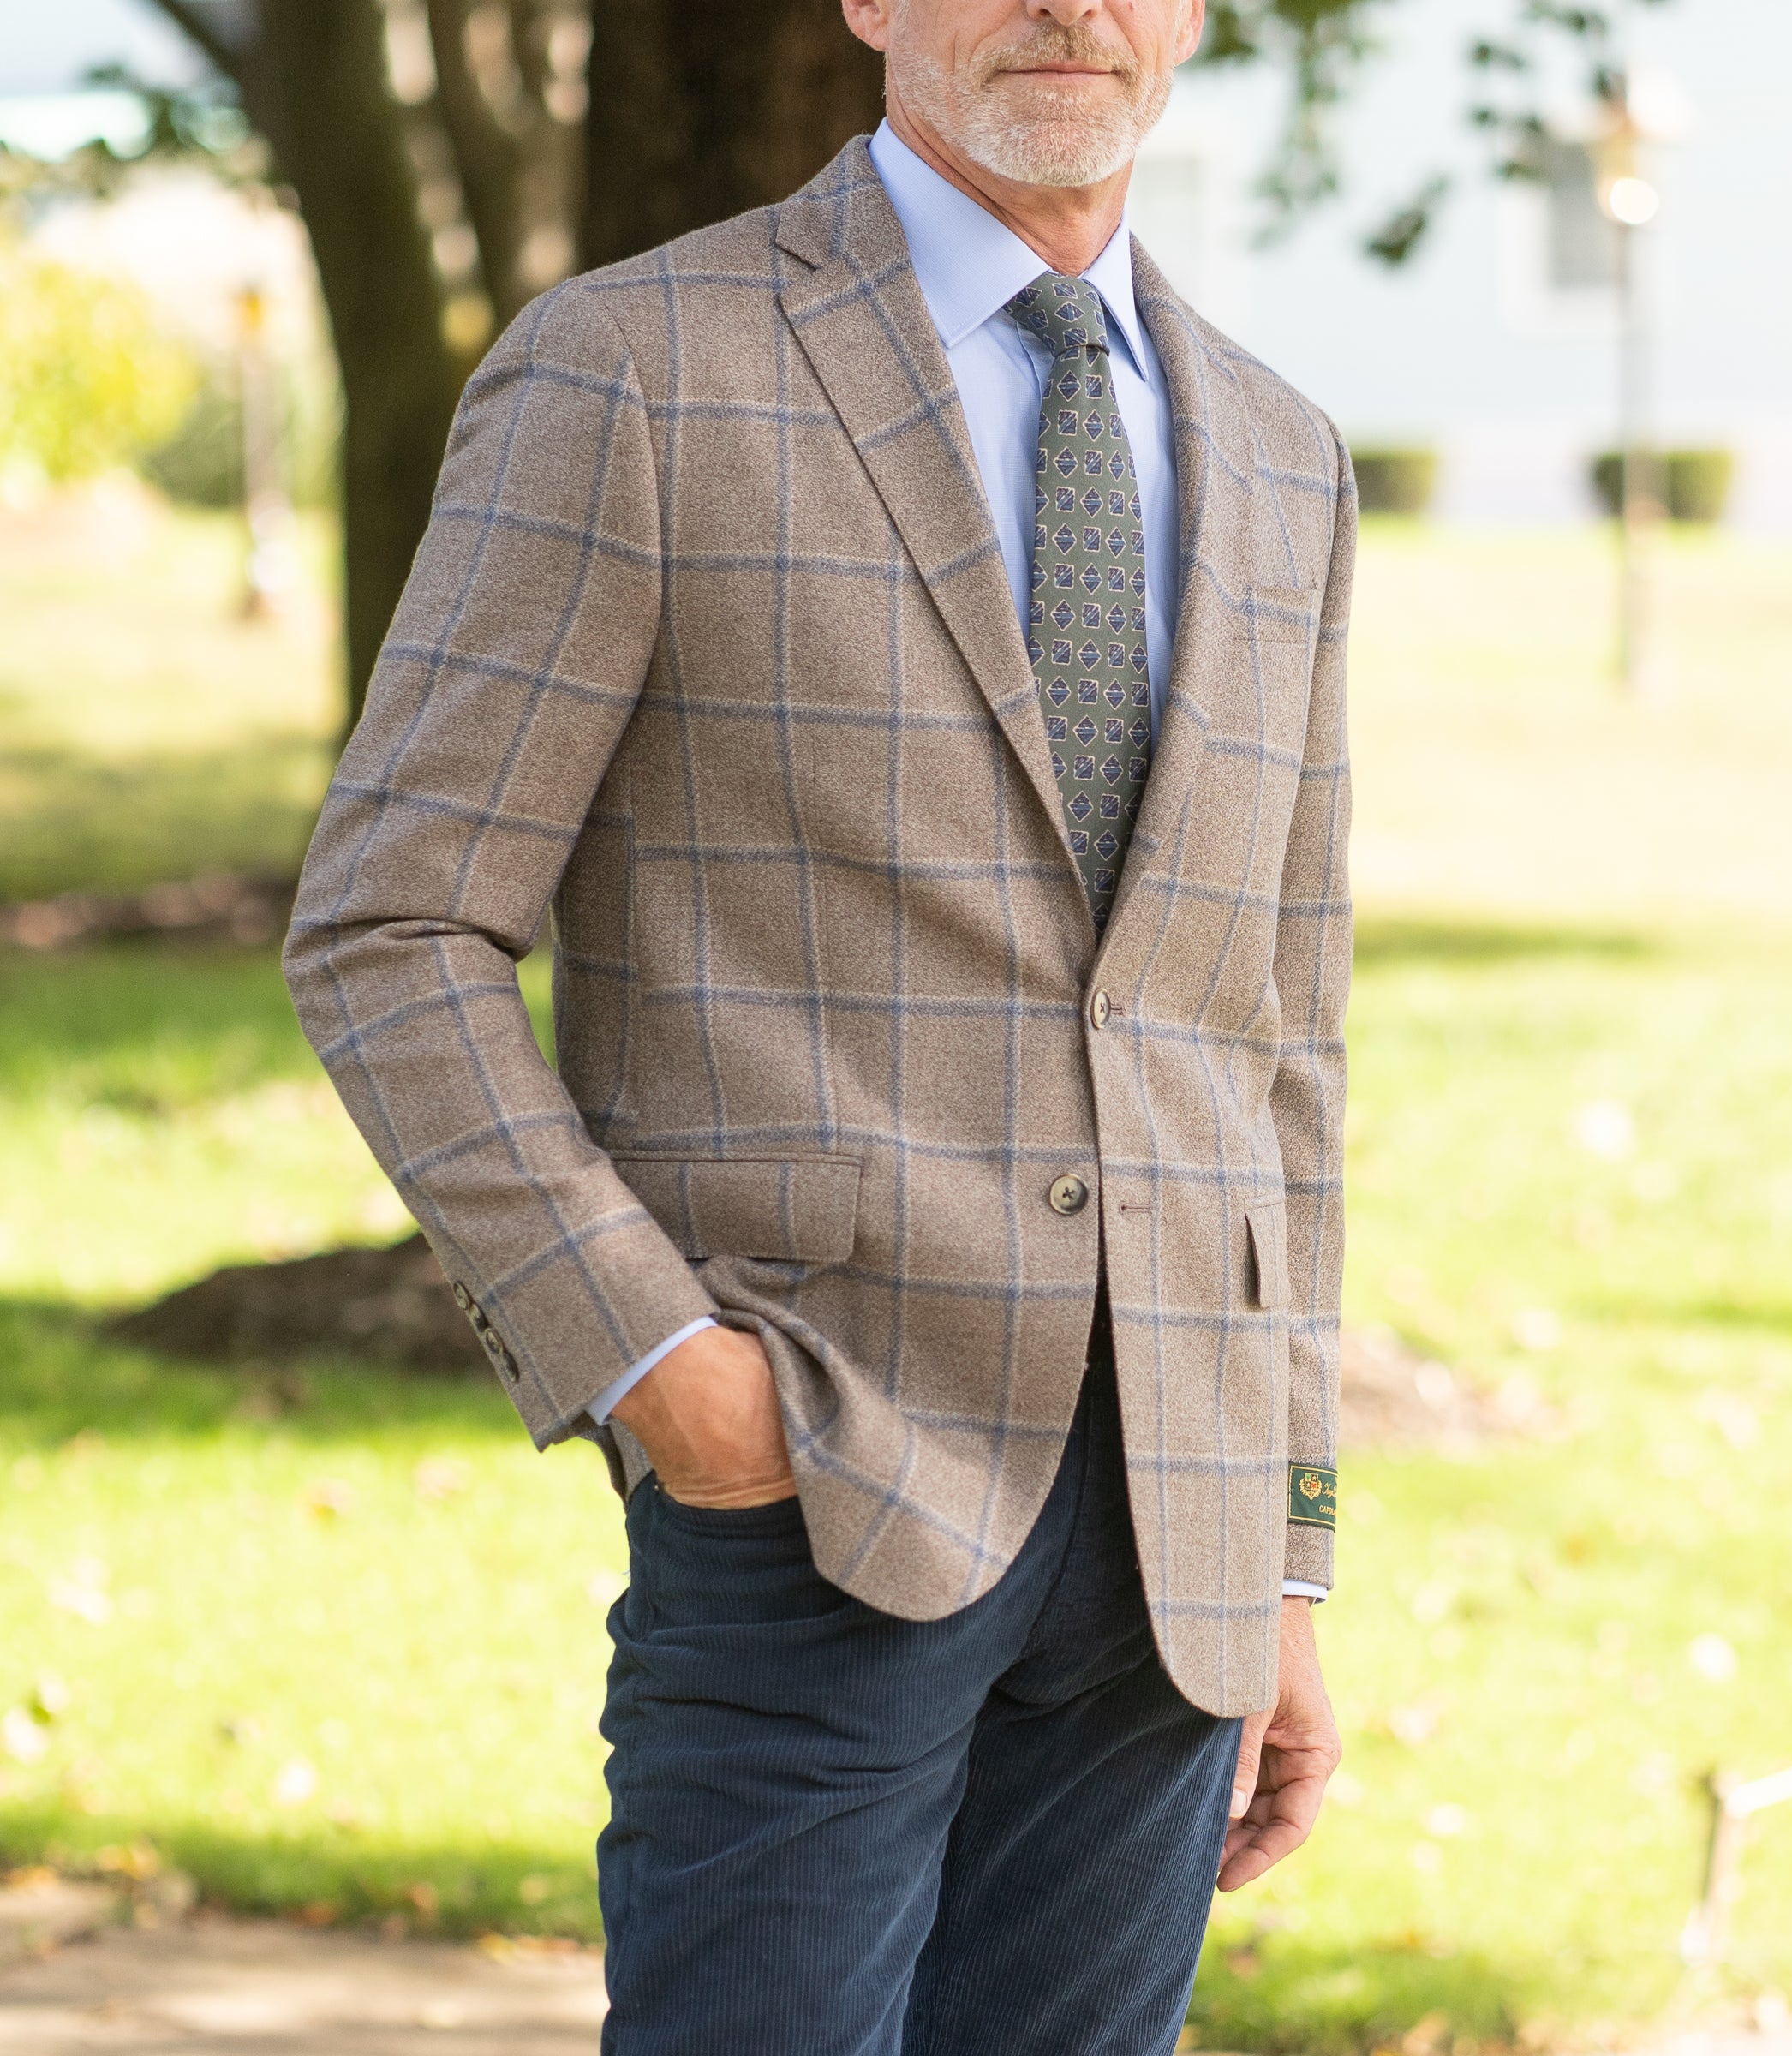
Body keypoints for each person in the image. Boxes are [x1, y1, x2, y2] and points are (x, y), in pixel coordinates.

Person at [284, 0, 1354, 2047]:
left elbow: (1274, 1033)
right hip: (811, 1485)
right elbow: (392, 925)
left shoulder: (1284, 453)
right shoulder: (635, 372)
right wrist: (658, 1363)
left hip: (1171, 1564)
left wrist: (1286, 1545)